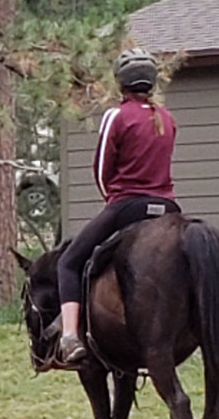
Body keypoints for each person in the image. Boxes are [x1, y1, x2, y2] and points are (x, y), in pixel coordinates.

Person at [56, 47, 180, 364]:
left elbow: (101, 169)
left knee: (69, 262)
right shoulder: (166, 118)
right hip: (167, 207)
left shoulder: (117, 115)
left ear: (121, 82)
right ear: (151, 82)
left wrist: (111, 200)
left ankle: (70, 336)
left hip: (127, 205)